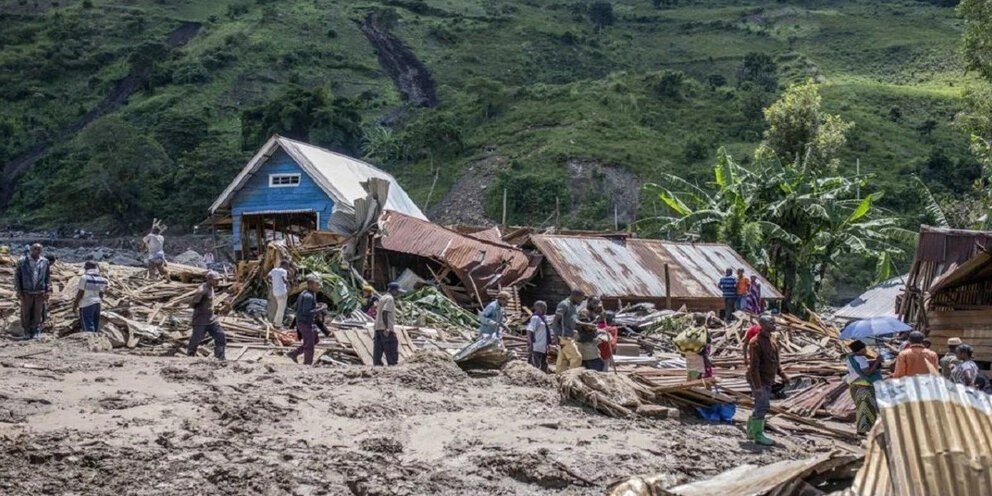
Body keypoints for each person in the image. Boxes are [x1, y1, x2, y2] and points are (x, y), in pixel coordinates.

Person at [746, 315, 788, 445]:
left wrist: (783, 375)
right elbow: (754, 368)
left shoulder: (772, 340)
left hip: (768, 378)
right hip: (758, 378)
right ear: (762, 325)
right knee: (763, 405)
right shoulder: (755, 343)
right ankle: (758, 434)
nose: (774, 325)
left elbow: (776, 362)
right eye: (771, 323)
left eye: (774, 322)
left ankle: (751, 430)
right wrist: (757, 387)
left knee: (760, 405)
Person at [845, 340, 884, 435]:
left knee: (862, 407)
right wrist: (877, 362)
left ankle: (864, 430)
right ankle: (863, 431)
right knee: (866, 408)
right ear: (860, 350)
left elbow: (863, 366)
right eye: (864, 348)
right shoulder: (861, 359)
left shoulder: (850, 358)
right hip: (864, 385)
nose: (866, 350)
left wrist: (874, 361)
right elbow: (867, 372)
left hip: (854, 384)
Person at [14, 243, 52, 340]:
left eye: (39, 249)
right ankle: (27, 331)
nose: (37, 251)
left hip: (40, 292)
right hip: (26, 292)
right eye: (35, 249)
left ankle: (36, 331)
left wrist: (48, 290)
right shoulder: (22, 261)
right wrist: (19, 291)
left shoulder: (45, 261)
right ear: (31, 249)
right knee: (25, 312)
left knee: (37, 312)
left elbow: (47, 277)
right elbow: (17, 277)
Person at [187, 271, 226, 360]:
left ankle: (220, 358)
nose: (218, 282)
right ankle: (189, 357)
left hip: (211, 319)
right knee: (196, 339)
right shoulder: (202, 291)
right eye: (216, 280)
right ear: (209, 280)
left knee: (220, 336)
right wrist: (202, 310)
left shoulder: (211, 287)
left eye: (218, 280)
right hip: (201, 320)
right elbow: (193, 304)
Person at [288, 275, 322, 365]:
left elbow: (296, 306)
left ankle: (294, 353)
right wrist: (319, 310)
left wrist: (316, 306)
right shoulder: (308, 296)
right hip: (305, 322)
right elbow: (306, 312)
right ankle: (307, 364)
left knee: (315, 340)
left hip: (307, 322)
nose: (318, 286)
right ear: (310, 285)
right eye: (317, 284)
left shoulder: (309, 294)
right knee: (309, 345)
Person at [552, 289, 585, 373]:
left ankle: (559, 378)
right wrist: (556, 336)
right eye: (581, 298)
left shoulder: (573, 306)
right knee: (577, 357)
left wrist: (588, 324)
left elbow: (572, 320)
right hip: (564, 337)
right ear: (575, 296)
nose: (582, 301)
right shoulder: (564, 304)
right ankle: (572, 377)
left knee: (562, 361)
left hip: (569, 336)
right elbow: (555, 321)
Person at [72, 261, 108, 333]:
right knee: (95, 324)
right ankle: (95, 341)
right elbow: (101, 294)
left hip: (86, 304)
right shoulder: (102, 279)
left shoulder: (84, 278)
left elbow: (80, 293)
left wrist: (75, 305)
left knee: (87, 326)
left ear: (86, 268)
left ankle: (90, 342)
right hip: (97, 303)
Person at [373, 282, 402, 366]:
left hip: (378, 328)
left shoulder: (382, 298)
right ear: (392, 290)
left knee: (378, 350)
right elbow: (385, 311)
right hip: (385, 328)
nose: (398, 293)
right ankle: (392, 366)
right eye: (397, 291)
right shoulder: (390, 299)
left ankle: (377, 367)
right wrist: (387, 327)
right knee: (392, 348)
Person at [526, 301, 552, 373]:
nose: (546, 309)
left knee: (544, 365)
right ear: (540, 308)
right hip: (536, 346)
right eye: (545, 307)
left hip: (543, 347)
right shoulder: (535, 318)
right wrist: (530, 343)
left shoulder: (543, 318)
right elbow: (529, 330)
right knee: (535, 367)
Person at [266, 261, 290, 329]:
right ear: (284, 265)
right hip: (282, 292)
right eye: (287, 266)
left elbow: (268, 277)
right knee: (281, 309)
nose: (287, 267)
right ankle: (278, 325)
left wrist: (272, 282)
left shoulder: (274, 270)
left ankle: (275, 322)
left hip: (275, 292)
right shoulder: (284, 271)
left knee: (279, 308)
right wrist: (288, 284)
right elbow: (284, 279)